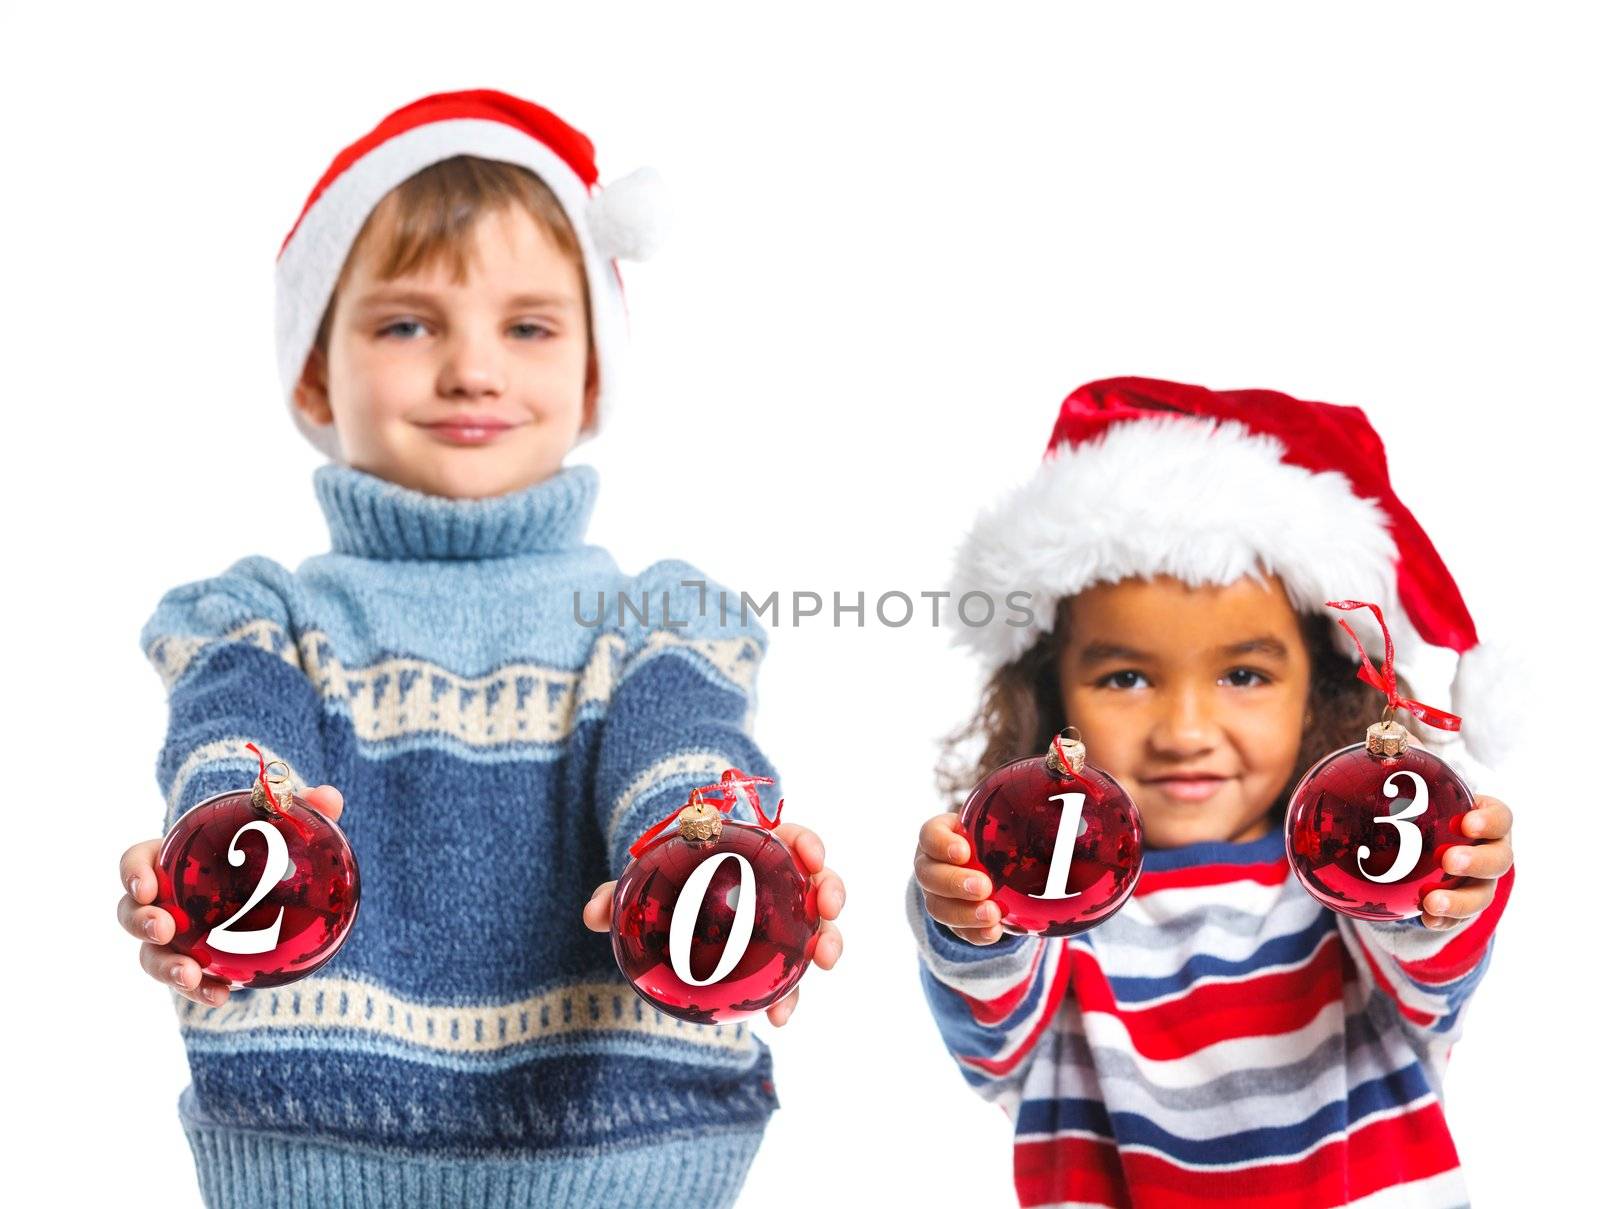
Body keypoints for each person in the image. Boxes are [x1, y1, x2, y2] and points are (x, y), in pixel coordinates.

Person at [115, 88, 844, 1208]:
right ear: (314, 371)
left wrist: (710, 859)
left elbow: (682, 752)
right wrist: (203, 874)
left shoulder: (655, 622)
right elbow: (233, 747)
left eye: (529, 327)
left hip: (623, 1161)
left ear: (592, 374)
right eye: (406, 324)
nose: (472, 371)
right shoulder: (259, 622)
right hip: (316, 1158)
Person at [910, 377, 1516, 1207]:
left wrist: (1447, 885)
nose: (1186, 729)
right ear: (1053, 696)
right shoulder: (1054, 909)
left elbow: (1430, 964)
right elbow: (991, 1031)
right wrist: (974, 918)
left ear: (1324, 685)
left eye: (1243, 673)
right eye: (1126, 676)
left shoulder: (1351, 892)